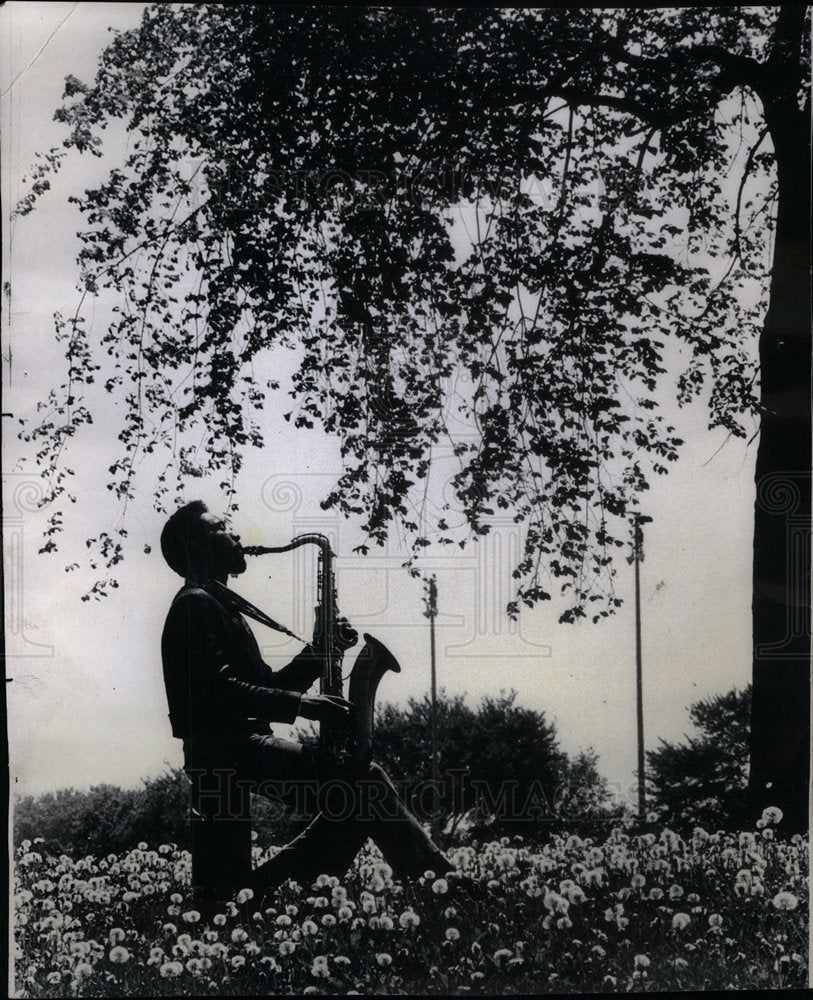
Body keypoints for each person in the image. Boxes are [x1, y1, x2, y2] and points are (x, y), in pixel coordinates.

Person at [160, 500, 452, 895]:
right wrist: (303, 706)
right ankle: (443, 884)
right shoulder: (195, 604)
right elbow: (218, 691)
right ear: (197, 549)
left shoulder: (216, 605)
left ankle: (268, 893)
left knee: (357, 795)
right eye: (222, 529)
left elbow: (271, 683)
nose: (237, 536)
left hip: (234, 749)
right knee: (363, 782)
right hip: (229, 750)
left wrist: (323, 650)